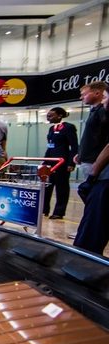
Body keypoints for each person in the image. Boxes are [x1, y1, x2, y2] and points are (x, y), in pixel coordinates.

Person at [73, 84, 109, 255]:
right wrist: (81, 154)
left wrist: (95, 170)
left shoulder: (102, 112)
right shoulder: (96, 112)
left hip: (101, 171)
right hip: (95, 166)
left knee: (96, 214)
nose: (104, 102)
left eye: (84, 94)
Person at [42, 107, 78, 220]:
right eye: (47, 116)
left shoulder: (68, 127)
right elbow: (50, 146)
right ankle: (44, 210)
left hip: (62, 162)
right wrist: (44, 161)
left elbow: (74, 146)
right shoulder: (51, 129)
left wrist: (71, 163)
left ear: (59, 116)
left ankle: (59, 212)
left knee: (61, 187)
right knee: (47, 186)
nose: (48, 118)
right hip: (50, 162)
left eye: (51, 116)